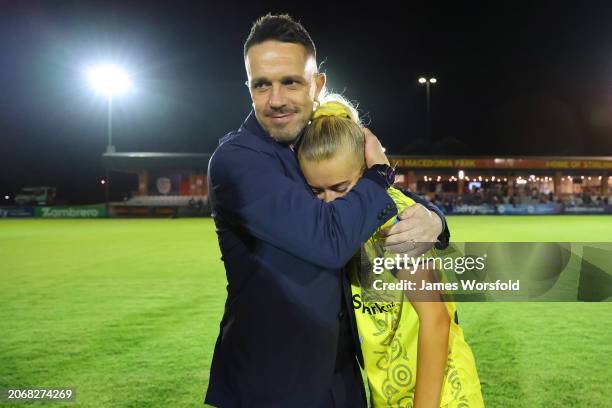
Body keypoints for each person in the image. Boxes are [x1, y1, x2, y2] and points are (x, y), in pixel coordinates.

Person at [205, 14, 450, 407]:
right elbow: (330, 240)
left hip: (343, 384)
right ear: (248, 89)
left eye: (291, 81)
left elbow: (367, 196)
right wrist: (379, 174)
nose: (277, 99)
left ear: (317, 85)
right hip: (268, 389)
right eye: (261, 84)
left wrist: (435, 220)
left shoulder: (317, 145)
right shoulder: (236, 162)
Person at [297, 96, 484, 408]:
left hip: (441, 395)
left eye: (341, 189)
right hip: (389, 392)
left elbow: (435, 319)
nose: (329, 202)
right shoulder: (335, 227)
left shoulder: (395, 217)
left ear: (366, 171)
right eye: (317, 191)